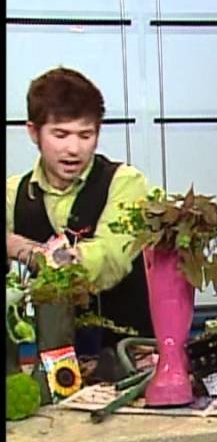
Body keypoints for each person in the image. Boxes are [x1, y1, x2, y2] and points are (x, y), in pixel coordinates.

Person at [6, 66, 153, 346]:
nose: (73, 148)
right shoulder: (14, 193)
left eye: (85, 135)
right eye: (60, 135)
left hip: (125, 353)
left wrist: (27, 250)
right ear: (34, 132)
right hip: (48, 359)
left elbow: (110, 258)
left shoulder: (124, 182)